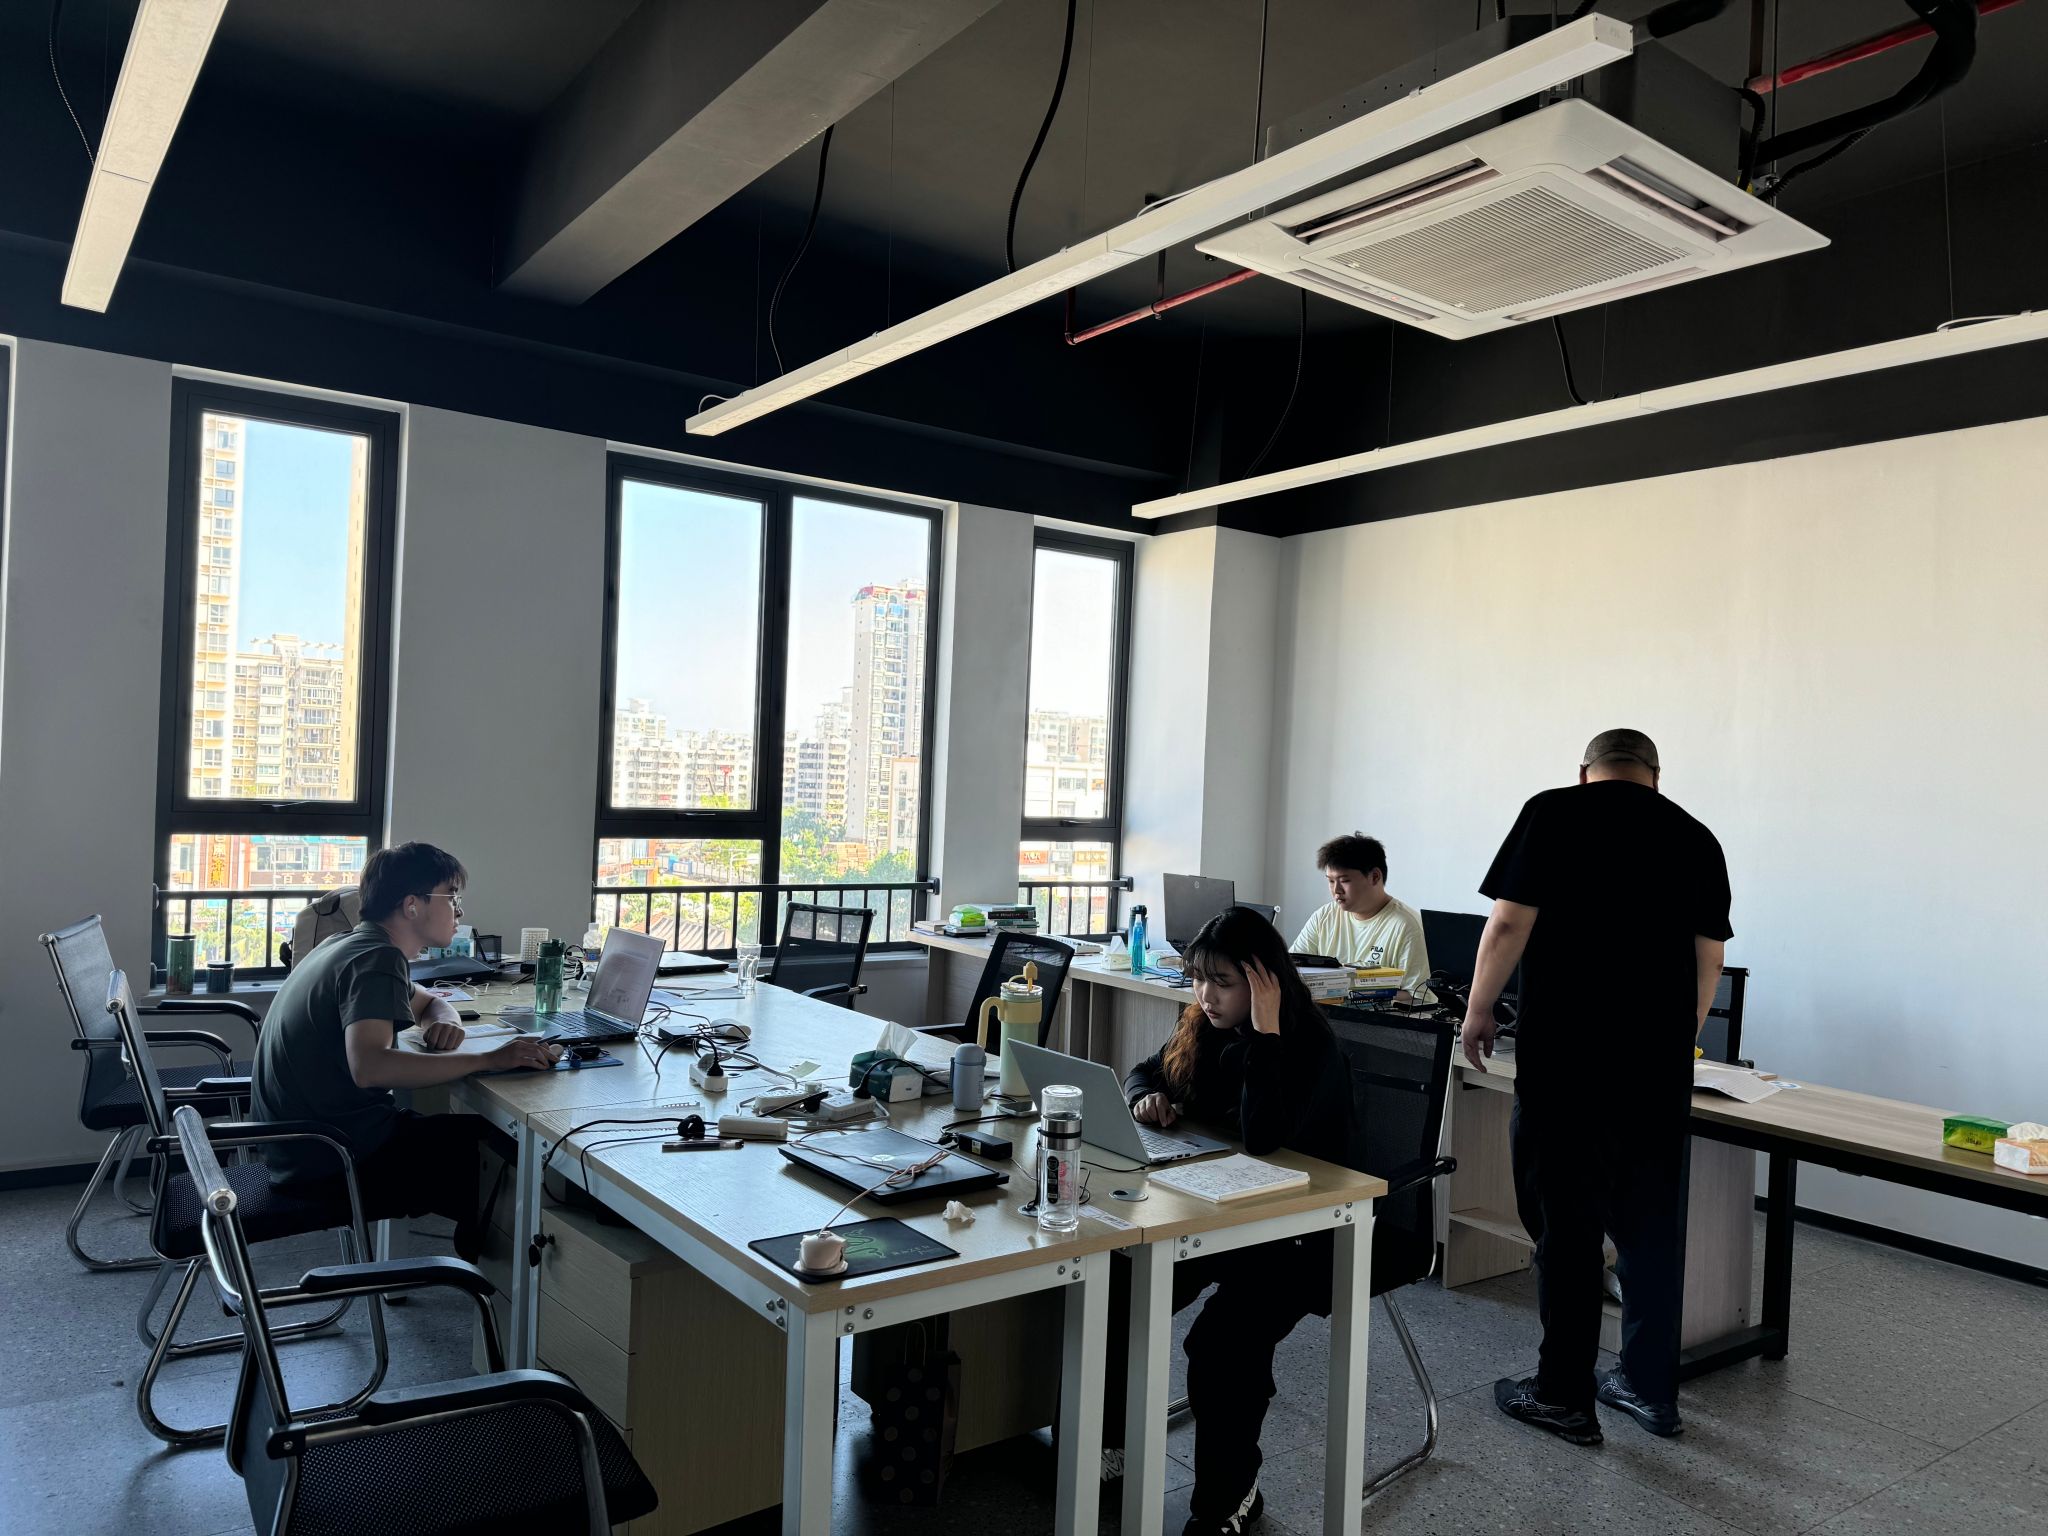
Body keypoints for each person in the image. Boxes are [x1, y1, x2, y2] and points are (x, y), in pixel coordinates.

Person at [1463, 729, 1731, 1444]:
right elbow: (1709, 957)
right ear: (1655, 776)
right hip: (1657, 1069)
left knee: (1568, 1229)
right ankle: (1649, 1390)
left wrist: (1479, 1008)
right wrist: (1678, 1034)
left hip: (1568, 1062)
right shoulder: (1695, 836)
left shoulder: (1553, 811)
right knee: (1650, 1226)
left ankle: (1563, 1397)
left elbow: (1509, 922)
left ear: (1585, 771)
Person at [1114, 908, 1356, 1536]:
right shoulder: (1203, 1023)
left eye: (1221, 982)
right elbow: (1146, 1069)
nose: (1205, 995)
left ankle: (1229, 1500)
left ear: (1264, 981)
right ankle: (1111, 1447)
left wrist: (1265, 1038)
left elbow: (1265, 1137)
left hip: (1301, 1235)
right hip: (1222, 1213)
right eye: (1198, 979)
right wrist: (1145, 1096)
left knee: (1221, 1346)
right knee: (1117, 1288)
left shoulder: (1308, 1045)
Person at [250, 841, 552, 1260]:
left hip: (297, 1147)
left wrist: (445, 1021)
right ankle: (501, 1279)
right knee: (499, 1150)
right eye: (451, 897)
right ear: (412, 905)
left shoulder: (350, 943)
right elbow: (371, 1068)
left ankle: (484, 1250)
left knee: (471, 1143)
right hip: (331, 1160)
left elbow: (429, 1002)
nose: (459, 911)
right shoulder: (377, 959)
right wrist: (490, 1059)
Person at [1290, 832, 1434, 998]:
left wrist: (1358, 996)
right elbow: (1291, 971)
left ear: (1375, 877)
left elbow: (1420, 997)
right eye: (1330, 881)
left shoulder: (1407, 927)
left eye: (1344, 880)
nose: (1336, 890)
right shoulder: (1324, 916)